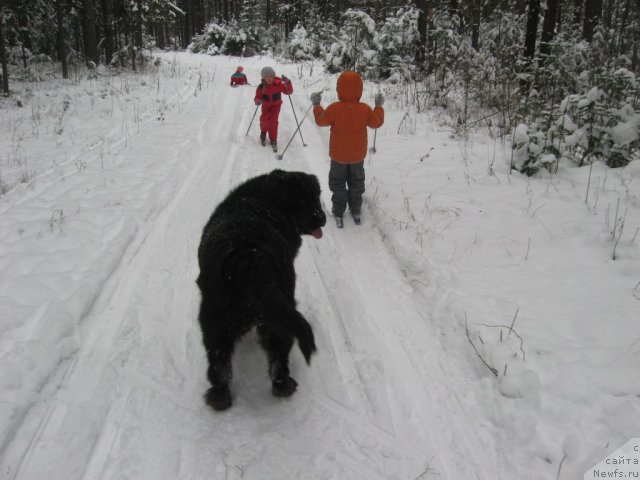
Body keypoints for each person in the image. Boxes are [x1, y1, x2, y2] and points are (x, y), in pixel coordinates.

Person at [311, 71, 384, 228]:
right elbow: (376, 123)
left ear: (339, 89)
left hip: (338, 157)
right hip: (357, 156)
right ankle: (355, 209)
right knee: (356, 182)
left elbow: (321, 121)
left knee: (337, 184)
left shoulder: (334, 109)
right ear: (360, 89)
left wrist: (317, 105)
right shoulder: (364, 109)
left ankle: (339, 212)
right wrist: (378, 107)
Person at [254, 66, 293, 151]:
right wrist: (257, 101)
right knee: (264, 120)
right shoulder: (261, 87)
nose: (269, 78)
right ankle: (263, 133)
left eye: (271, 76)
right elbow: (257, 97)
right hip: (266, 106)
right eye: (267, 76)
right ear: (263, 78)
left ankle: (273, 139)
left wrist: (288, 82)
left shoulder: (278, 84)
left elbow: (288, 91)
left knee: (273, 122)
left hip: (276, 106)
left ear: (274, 76)